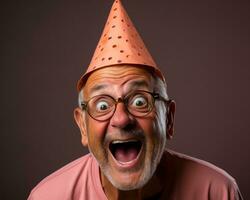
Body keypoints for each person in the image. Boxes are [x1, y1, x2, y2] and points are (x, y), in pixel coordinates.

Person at [28, 0, 243, 199]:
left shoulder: (217, 191)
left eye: (139, 101)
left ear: (168, 118)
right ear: (83, 126)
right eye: (103, 105)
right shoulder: (48, 196)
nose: (121, 119)